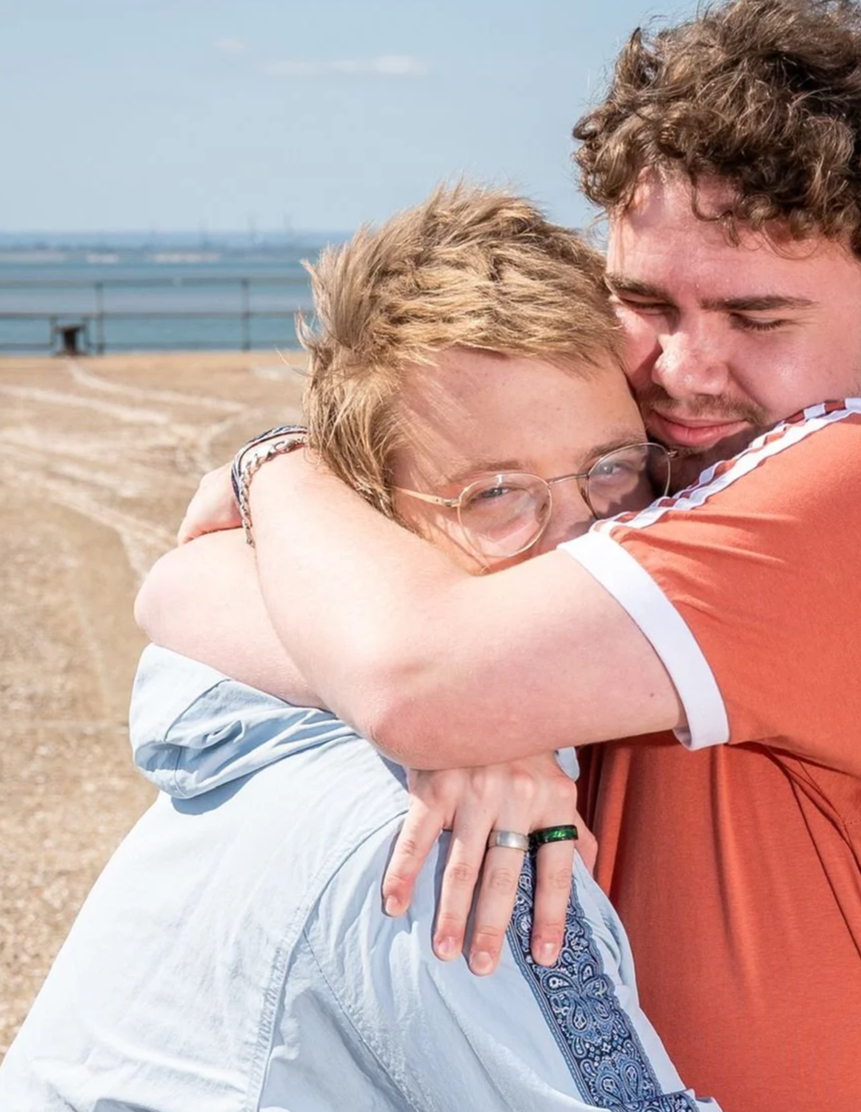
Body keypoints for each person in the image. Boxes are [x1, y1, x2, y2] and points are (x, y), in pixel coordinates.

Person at [138, 0, 861, 1112]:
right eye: (646, 304)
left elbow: (396, 667)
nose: (682, 370)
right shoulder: (633, 494)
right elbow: (184, 586)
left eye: (755, 317)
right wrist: (486, 718)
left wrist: (280, 474)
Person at [0, 189, 723, 1112]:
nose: (581, 543)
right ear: (367, 526)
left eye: (611, 469)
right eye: (495, 495)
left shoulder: (275, 721)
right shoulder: (456, 849)